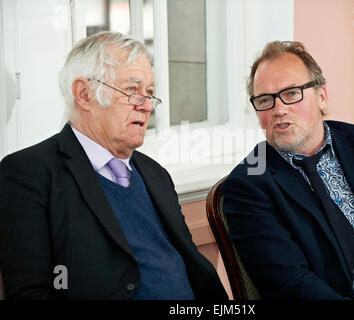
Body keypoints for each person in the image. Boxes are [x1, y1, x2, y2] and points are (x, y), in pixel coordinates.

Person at [0, 31, 228, 300]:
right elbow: (30, 292)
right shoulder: (28, 173)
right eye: (132, 90)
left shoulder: (155, 174)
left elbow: (190, 268)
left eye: (150, 93)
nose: (146, 106)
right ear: (84, 94)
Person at [222, 40, 354, 300]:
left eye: (292, 93)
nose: (279, 109)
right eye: (264, 100)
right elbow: (290, 285)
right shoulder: (248, 185)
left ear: (322, 96)